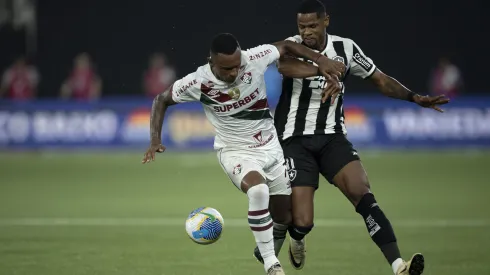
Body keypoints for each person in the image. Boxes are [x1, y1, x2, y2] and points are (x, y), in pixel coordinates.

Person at [253, 1, 450, 275]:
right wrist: (323, 68)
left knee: (362, 192)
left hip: (333, 138)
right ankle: (296, 236)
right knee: (303, 221)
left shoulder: (346, 48)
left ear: (326, 21)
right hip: (294, 140)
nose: (306, 32)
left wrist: (414, 97)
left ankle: (398, 266)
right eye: (302, 26)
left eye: (312, 25)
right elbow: (285, 68)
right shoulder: (292, 45)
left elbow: (379, 79)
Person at [141, 33, 345, 275]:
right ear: (211, 62)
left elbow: (287, 45)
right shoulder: (197, 82)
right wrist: (155, 139)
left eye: (237, 66)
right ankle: (272, 265)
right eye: (226, 69)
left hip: (270, 147)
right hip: (235, 151)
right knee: (258, 191)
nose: (233, 73)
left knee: (284, 217)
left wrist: (319, 60)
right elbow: (161, 99)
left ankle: (283, 242)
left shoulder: (254, 58)